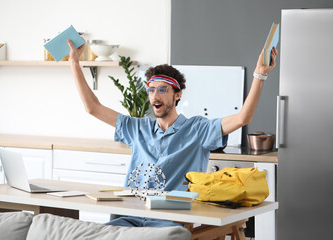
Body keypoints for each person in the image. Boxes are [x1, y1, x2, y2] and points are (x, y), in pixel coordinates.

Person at [67, 40, 278, 227]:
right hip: (128, 217)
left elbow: (242, 118)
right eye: (151, 90)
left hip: (169, 221)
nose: (155, 96)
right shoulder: (137, 128)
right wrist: (74, 64)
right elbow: (92, 107)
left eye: (162, 90)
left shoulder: (197, 129)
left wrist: (259, 75)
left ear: (177, 95)